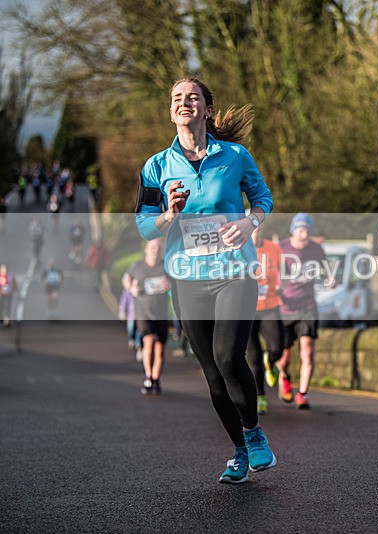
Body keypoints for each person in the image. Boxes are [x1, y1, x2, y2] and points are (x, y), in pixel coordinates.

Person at [135, 76, 276, 484]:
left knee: (229, 356)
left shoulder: (235, 156)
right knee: (212, 372)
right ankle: (239, 451)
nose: (184, 103)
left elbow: (263, 199)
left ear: (207, 109)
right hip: (187, 277)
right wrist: (169, 215)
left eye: (193, 97)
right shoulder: (156, 166)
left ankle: (254, 433)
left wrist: (249, 224)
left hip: (234, 271)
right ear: (171, 111)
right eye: (177, 98)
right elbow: (144, 225)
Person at [275, 213, 335, 410]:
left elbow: (327, 272)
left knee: (307, 351)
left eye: (307, 230)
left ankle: (303, 394)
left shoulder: (316, 249)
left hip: (308, 307)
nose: (304, 234)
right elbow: (271, 271)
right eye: (300, 230)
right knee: (283, 358)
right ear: (293, 230)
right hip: (286, 307)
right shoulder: (281, 248)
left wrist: (330, 280)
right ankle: (284, 376)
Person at [246, 225, 285, 414]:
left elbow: (284, 272)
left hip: (270, 305)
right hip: (246, 309)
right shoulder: (237, 249)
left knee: (277, 348)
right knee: (254, 356)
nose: (255, 231)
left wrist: (282, 284)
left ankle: (270, 361)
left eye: (257, 227)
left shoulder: (273, 249)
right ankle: (260, 396)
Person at [126, 240, 171, 395]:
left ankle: (156, 379)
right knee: (149, 340)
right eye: (152, 247)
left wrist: (169, 285)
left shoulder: (166, 267)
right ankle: (148, 376)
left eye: (158, 248)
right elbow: (126, 279)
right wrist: (131, 288)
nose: (155, 250)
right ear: (146, 249)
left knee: (159, 349)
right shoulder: (137, 266)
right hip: (143, 313)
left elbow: (176, 283)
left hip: (161, 314)